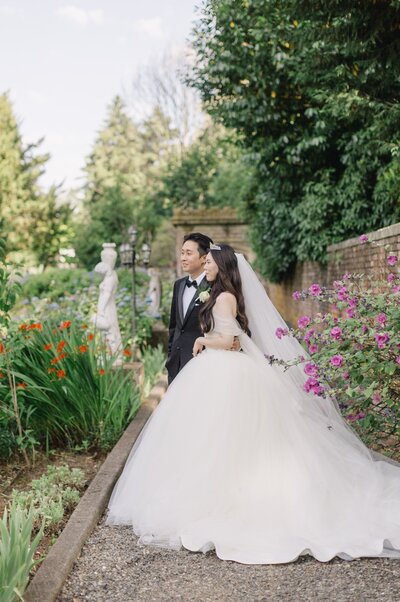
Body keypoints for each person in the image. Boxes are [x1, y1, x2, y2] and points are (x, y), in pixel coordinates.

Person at [107, 244, 400, 564]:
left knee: (227, 437)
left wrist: (203, 340)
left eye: (209, 261)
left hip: (224, 369)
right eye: (203, 260)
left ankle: (223, 500)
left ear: (222, 265)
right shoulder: (220, 294)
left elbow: (231, 342)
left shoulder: (225, 297)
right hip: (216, 370)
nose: (205, 264)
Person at [166, 232, 213, 384]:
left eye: (188, 253)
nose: (183, 258)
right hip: (175, 364)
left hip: (201, 363)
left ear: (204, 258)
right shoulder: (179, 285)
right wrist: (171, 355)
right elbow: (174, 326)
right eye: (182, 253)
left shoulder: (214, 286)